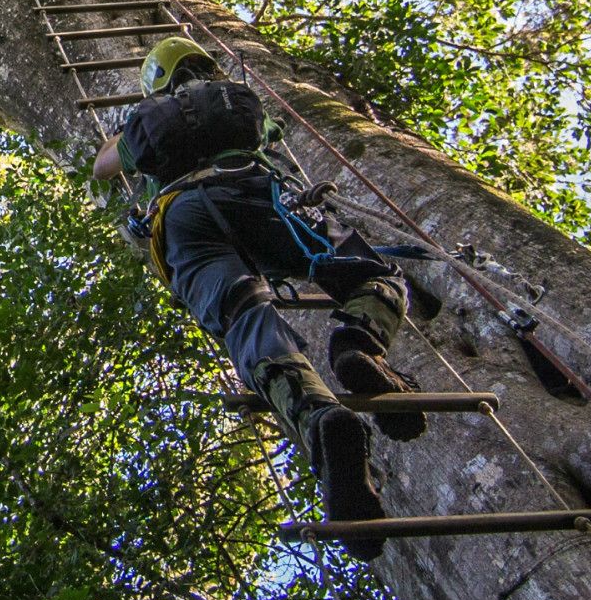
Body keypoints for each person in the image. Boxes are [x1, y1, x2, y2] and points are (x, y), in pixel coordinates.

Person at [92, 35, 437, 530]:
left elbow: (106, 166)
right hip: (264, 199)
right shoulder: (233, 97)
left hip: (185, 217)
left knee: (244, 317)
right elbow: (270, 137)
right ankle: (356, 343)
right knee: (374, 272)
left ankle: (319, 419)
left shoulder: (150, 120)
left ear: (156, 83)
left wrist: (122, 141)